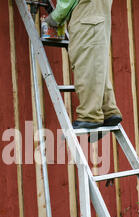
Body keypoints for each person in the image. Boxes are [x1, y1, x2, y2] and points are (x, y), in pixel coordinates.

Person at [45, 0, 123, 130]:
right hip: (98, 9)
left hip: (86, 10)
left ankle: (90, 115)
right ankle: (108, 109)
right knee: (96, 62)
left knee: (85, 63)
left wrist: (55, 16)